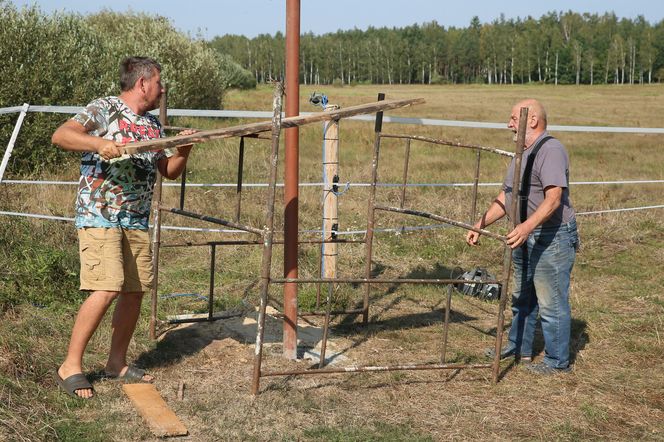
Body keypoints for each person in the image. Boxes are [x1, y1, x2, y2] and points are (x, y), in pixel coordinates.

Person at [52, 56, 195, 398]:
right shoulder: (105, 108)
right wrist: (99, 143)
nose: (163, 89)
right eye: (159, 82)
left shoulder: (152, 125)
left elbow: (168, 170)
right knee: (107, 287)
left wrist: (184, 150)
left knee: (134, 289)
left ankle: (116, 363)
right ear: (143, 83)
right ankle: (70, 365)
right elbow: (62, 135)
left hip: (136, 219)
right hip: (100, 214)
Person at [466, 99, 579, 375]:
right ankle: (519, 348)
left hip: (551, 236)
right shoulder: (520, 154)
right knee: (522, 299)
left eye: (514, 119)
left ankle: (556, 362)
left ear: (532, 120)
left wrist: (526, 227)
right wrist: (480, 223)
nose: (509, 124)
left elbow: (553, 199)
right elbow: (507, 195)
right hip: (525, 235)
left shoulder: (550, 150)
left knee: (551, 302)